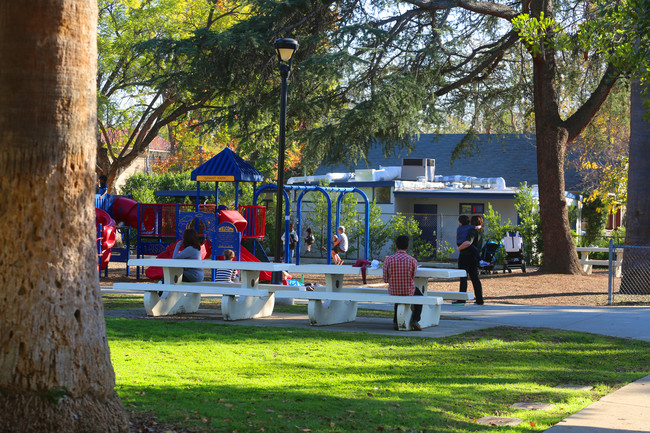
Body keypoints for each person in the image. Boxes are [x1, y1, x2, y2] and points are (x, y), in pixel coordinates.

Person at [383, 235, 422, 331]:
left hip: (393, 290)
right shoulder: (413, 260)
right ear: (408, 247)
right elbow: (412, 277)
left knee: (398, 296)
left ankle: (396, 321)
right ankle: (416, 320)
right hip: (408, 290)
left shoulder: (388, 259)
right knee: (420, 296)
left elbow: (385, 279)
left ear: (396, 246)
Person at [456, 215, 485, 305]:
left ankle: (461, 299)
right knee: (475, 279)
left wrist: (459, 248)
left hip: (465, 256)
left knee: (463, 278)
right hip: (474, 258)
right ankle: (479, 299)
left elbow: (468, 242)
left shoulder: (472, 231)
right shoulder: (480, 231)